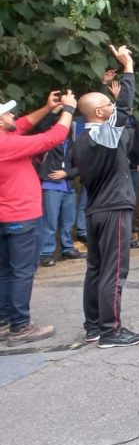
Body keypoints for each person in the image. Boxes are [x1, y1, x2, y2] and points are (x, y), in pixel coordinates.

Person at [74, 45, 139, 348]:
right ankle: (111, 331)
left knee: (95, 269)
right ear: (101, 112)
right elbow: (126, 108)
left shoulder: (81, 138)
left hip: (94, 209)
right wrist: (128, 67)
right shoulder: (103, 134)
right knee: (114, 271)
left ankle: (93, 326)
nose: (113, 105)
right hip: (113, 207)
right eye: (108, 103)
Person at [0, 89, 78, 346]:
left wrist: (48, 108)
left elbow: (21, 125)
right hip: (20, 215)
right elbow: (52, 138)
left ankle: (3, 321)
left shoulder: (6, 137)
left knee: (4, 270)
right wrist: (68, 109)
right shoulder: (5, 144)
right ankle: (20, 327)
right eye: (7, 112)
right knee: (22, 271)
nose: (14, 115)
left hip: (5, 216)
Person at [36, 110, 85, 267]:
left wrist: (66, 173)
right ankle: (45, 253)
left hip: (68, 186)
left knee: (68, 220)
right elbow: (41, 127)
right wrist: (55, 110)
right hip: (51, 186)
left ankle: (68, 248)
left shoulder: (73, 144)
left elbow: (81, 166)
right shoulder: (47, 143)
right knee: (49, 221)